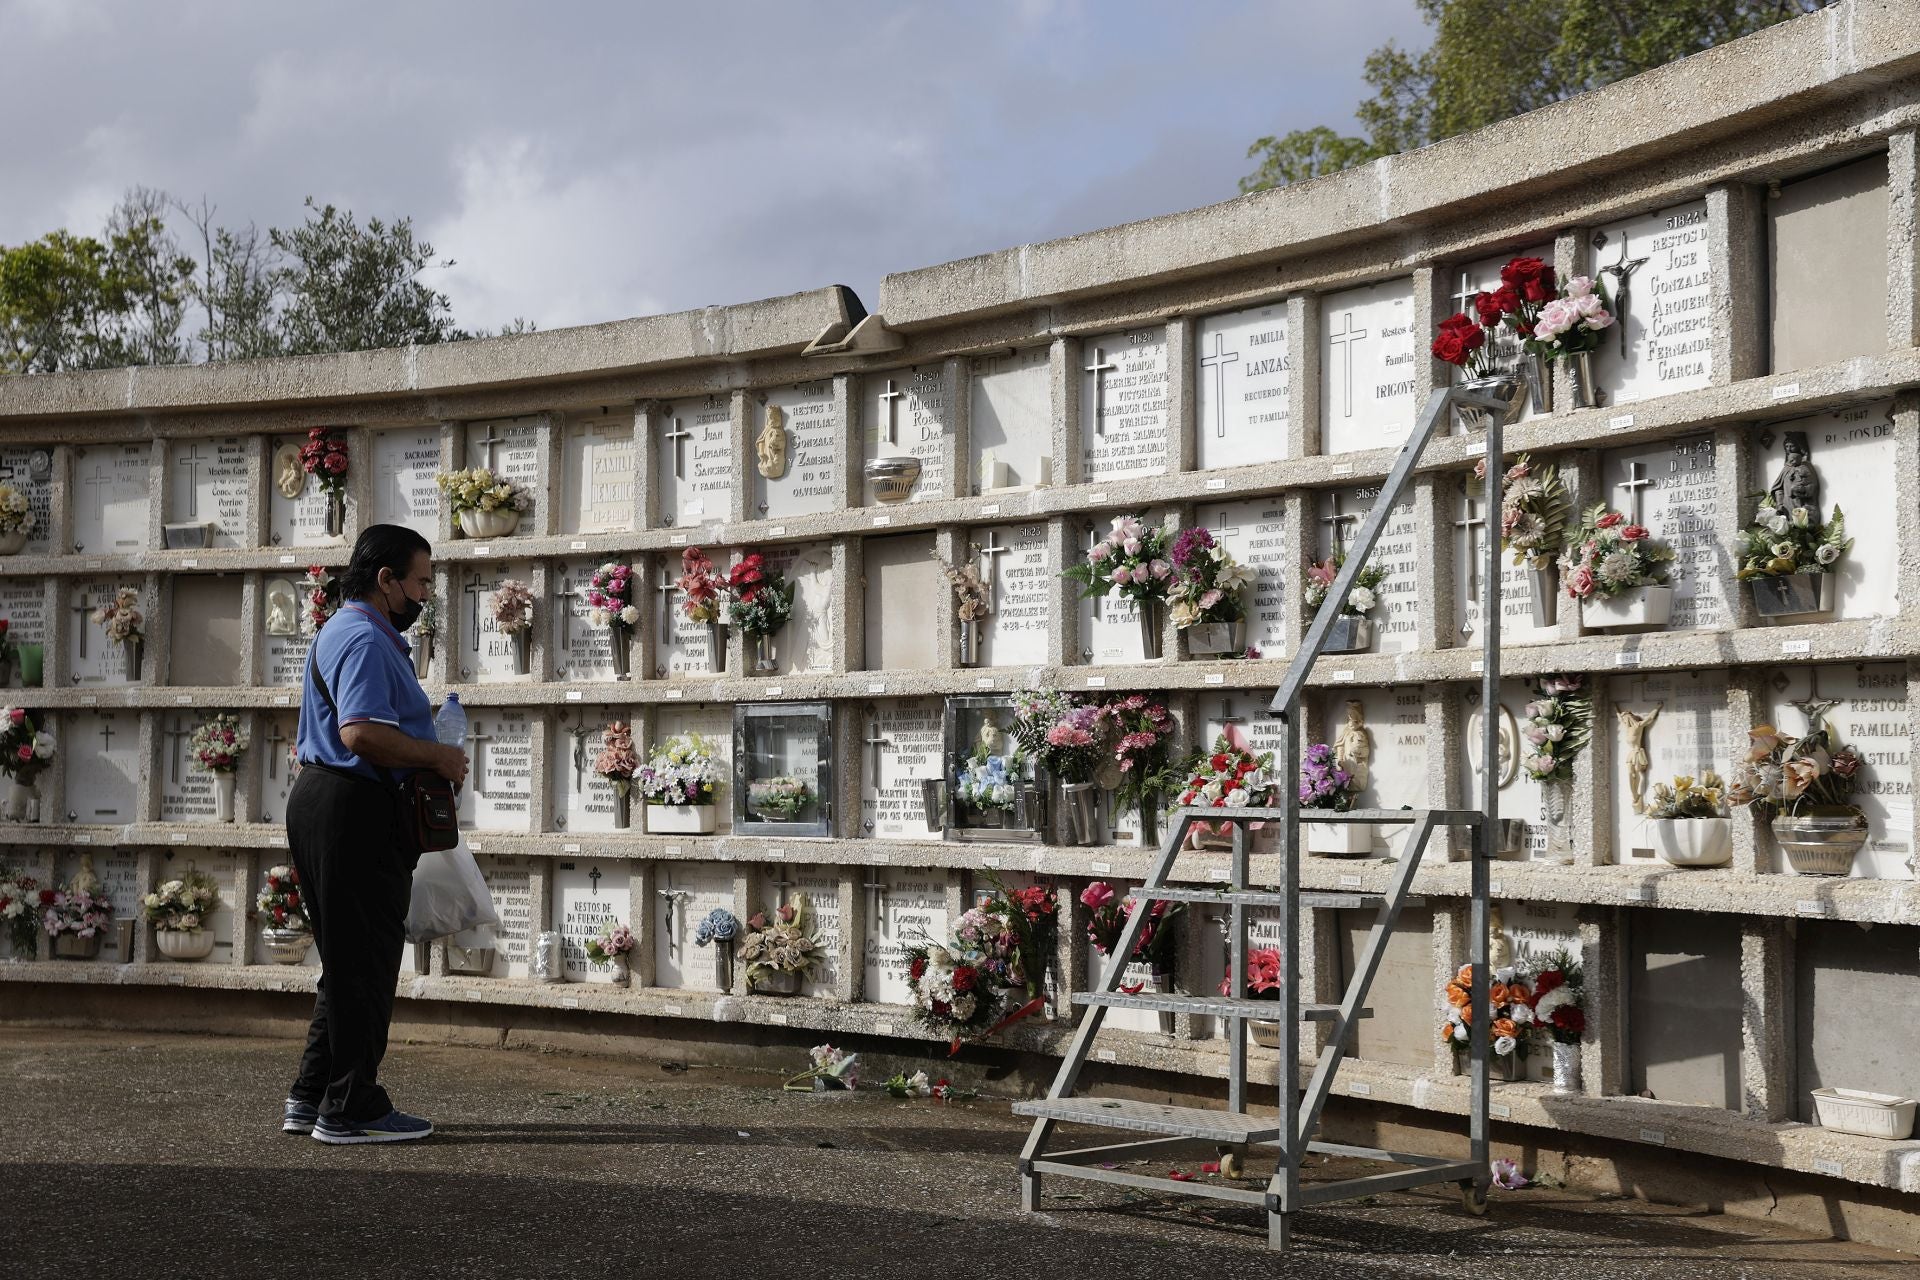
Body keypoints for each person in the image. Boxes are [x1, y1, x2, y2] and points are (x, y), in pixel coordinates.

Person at [283, 524, 467, 1145]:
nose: (424, 596)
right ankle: (353, 1107)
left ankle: (312, 1095)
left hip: (332, 801)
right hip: (354, 806)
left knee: (346, 959)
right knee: (365, 961)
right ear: (386, 581)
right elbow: (361, 732)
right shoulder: (363, 636)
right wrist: (437, 758)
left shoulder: (350, 630)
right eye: (419, 582)